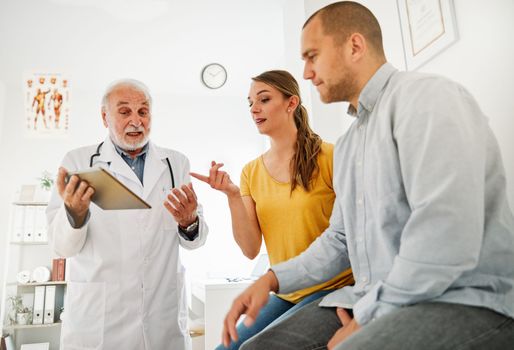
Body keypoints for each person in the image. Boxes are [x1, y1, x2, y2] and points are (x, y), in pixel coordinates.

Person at [222, 2, 514, 350]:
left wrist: (368, 316)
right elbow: (341, 240)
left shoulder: (426, 98)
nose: (306, 72)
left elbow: (445, 232)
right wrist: (272, 279)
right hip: (370, 296)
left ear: (355, 46)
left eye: (312, 56)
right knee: (256, 347)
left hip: (461, 298)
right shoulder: (349, 145)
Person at [191, 70, 353, 349]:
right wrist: (232, 196)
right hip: (285, 289)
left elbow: (352, 234)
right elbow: (251, 248)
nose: (254, 108)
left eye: (264, 99)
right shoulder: (251, 172)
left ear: (291, 103)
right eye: (250, 102)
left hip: (333, 287)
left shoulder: (331, 157)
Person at [46, 79, 209, 350]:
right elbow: (61, 246)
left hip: (162, 318)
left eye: (143, 112)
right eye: (124, 112)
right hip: (100, 323)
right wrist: (74, 214)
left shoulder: (175, 164)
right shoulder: (79, 162)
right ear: (104, 117)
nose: (136, 121)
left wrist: (189, 222)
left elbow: (195, 240)